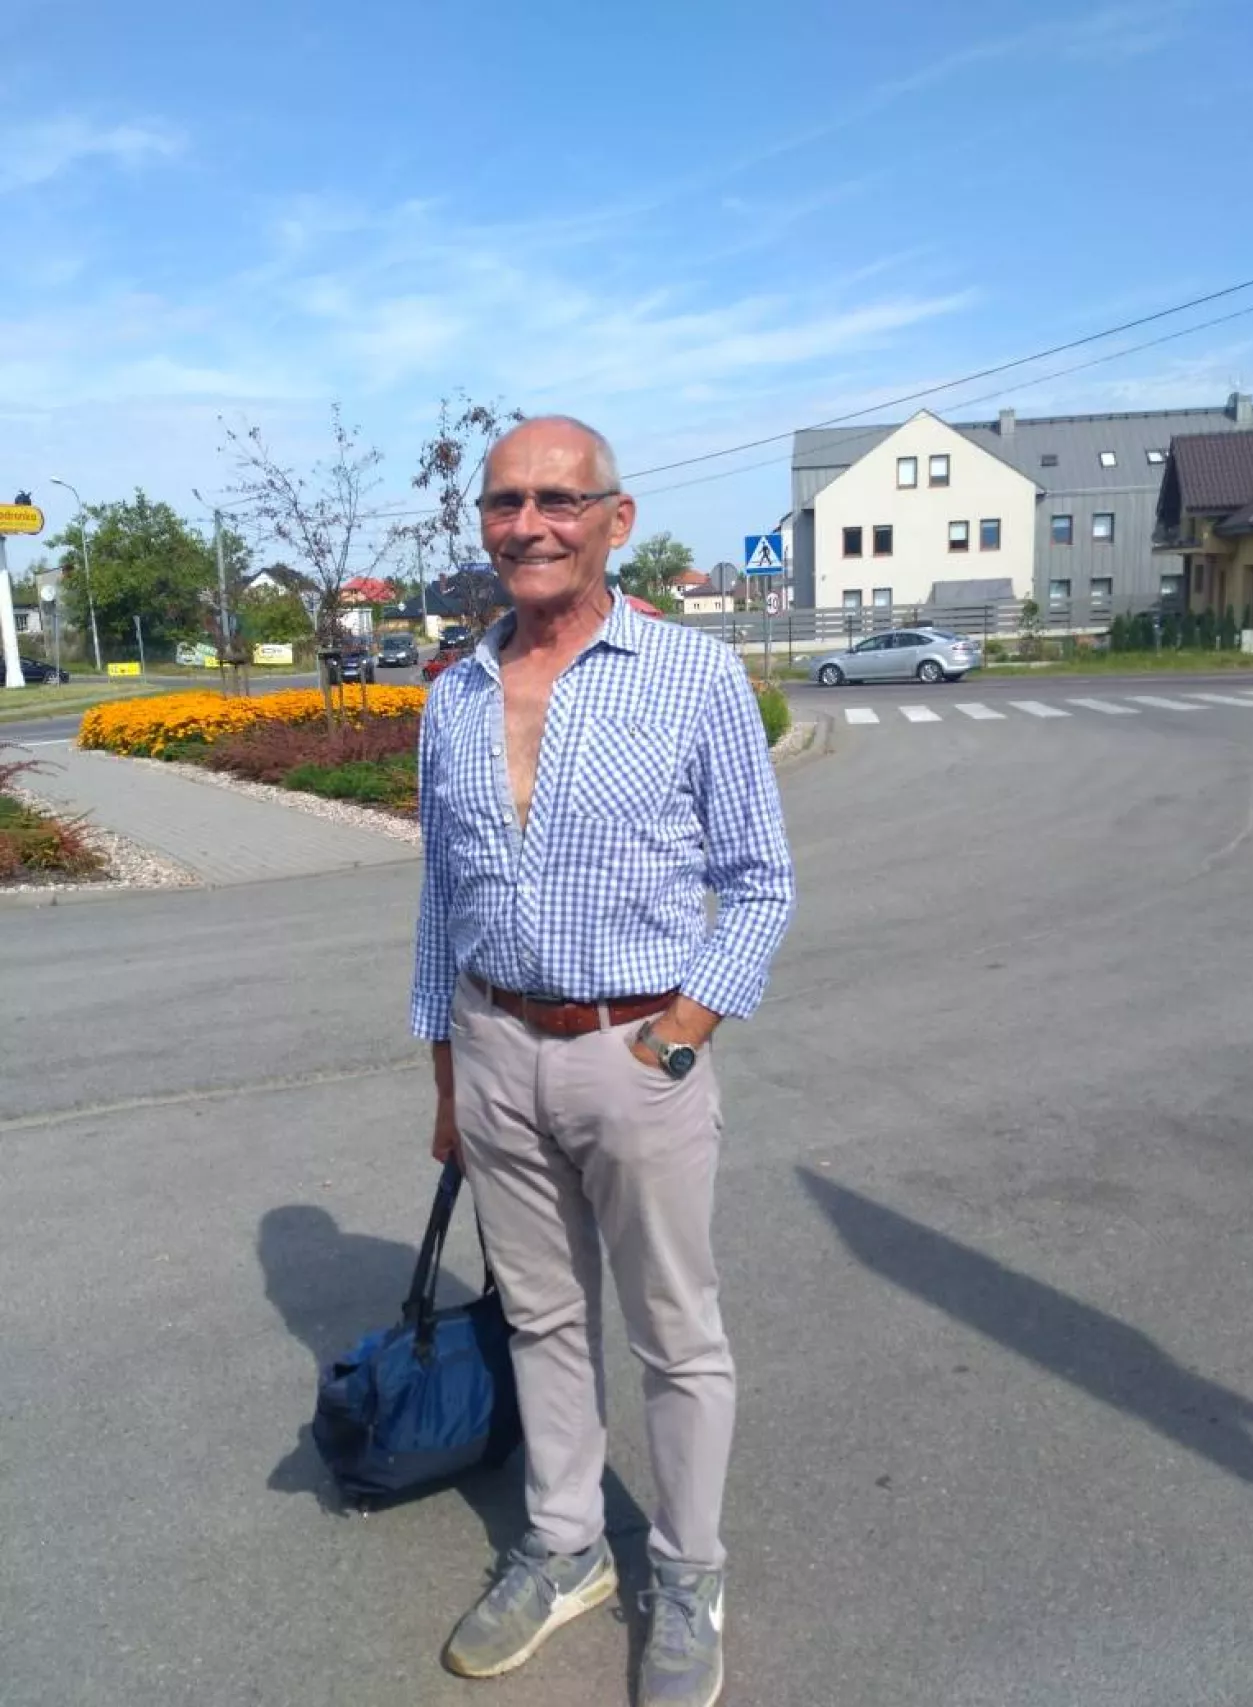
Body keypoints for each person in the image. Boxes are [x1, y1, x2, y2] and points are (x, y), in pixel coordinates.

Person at [411, 416, 795, 1707]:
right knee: (542, 1316)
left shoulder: (692, 675)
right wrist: (449, 1077)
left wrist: (682, 1032)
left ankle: (687, 1574)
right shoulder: (455, 694)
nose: (528, 524)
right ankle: (567, 1545)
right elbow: (439, 897)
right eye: (504, 501)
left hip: (634, 1050)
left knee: (676, 1331)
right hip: (493, 1043)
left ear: (615, 520)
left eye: (557, 500)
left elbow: (761, 882)